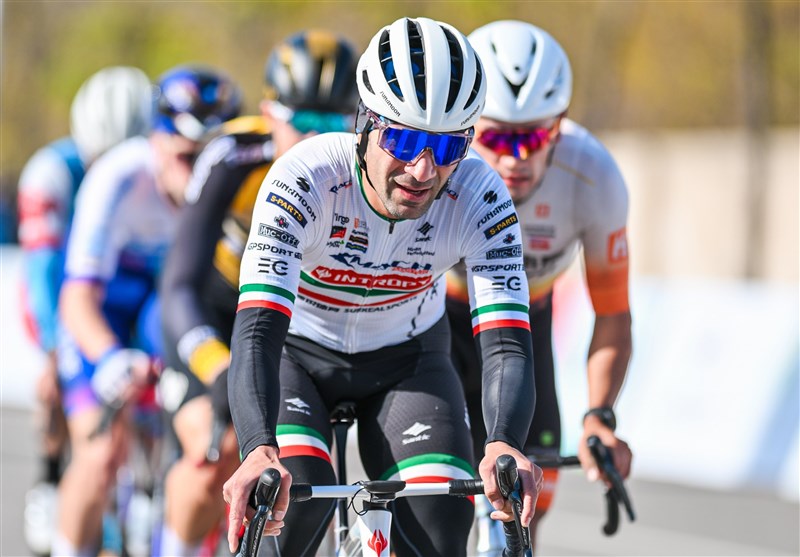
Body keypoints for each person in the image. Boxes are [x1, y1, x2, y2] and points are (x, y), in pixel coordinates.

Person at [222, 17, 544, 557]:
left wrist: (504, 442)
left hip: (408, 362)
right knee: (287, 507)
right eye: (404, 139)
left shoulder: (481, 196)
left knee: (441, 525)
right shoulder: (304, 179)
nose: (422, 170)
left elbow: (507, 342)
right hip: (297, 359)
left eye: (447, 147)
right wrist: (257, 447)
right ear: (365, 123)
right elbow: (256, 330)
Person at [157, 30, 359, 556]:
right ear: (269, 114)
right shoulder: (234, 155)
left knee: (296, 466)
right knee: (213, 457)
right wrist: (219, 368)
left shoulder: (366, 168)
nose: (318, 137)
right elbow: (178, 285)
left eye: (333, 123)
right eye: (303, 122)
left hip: (289, 325)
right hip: (216, 314)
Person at [446, 20, 634, 552]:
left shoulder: (594, 178)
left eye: (533, 137)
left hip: (525, 327)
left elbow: (613, 314)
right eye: (496, 137)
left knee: (527, 508)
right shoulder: (438, 164)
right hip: (439, 322)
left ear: (560, 126)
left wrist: (599, 415)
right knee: (437, 507)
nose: (515, 157)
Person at [51, 64, 242, 557]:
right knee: (99, 454)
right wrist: (109, 357)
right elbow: (77, 298)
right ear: (155, 140)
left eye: (208, 159)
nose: (199, 173)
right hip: (106, 310)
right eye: (185, 157)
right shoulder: (117, 178)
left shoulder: (233, 184)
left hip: (168, 310)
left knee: (212, 447)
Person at [16, 66, 153, 556]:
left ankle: (143, 494)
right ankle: (50, 475)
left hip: (127, 292)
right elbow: (43, 274)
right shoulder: (49, 174)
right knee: (64, 394)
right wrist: (54, 350)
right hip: (67, 290)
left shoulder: (158, 168)